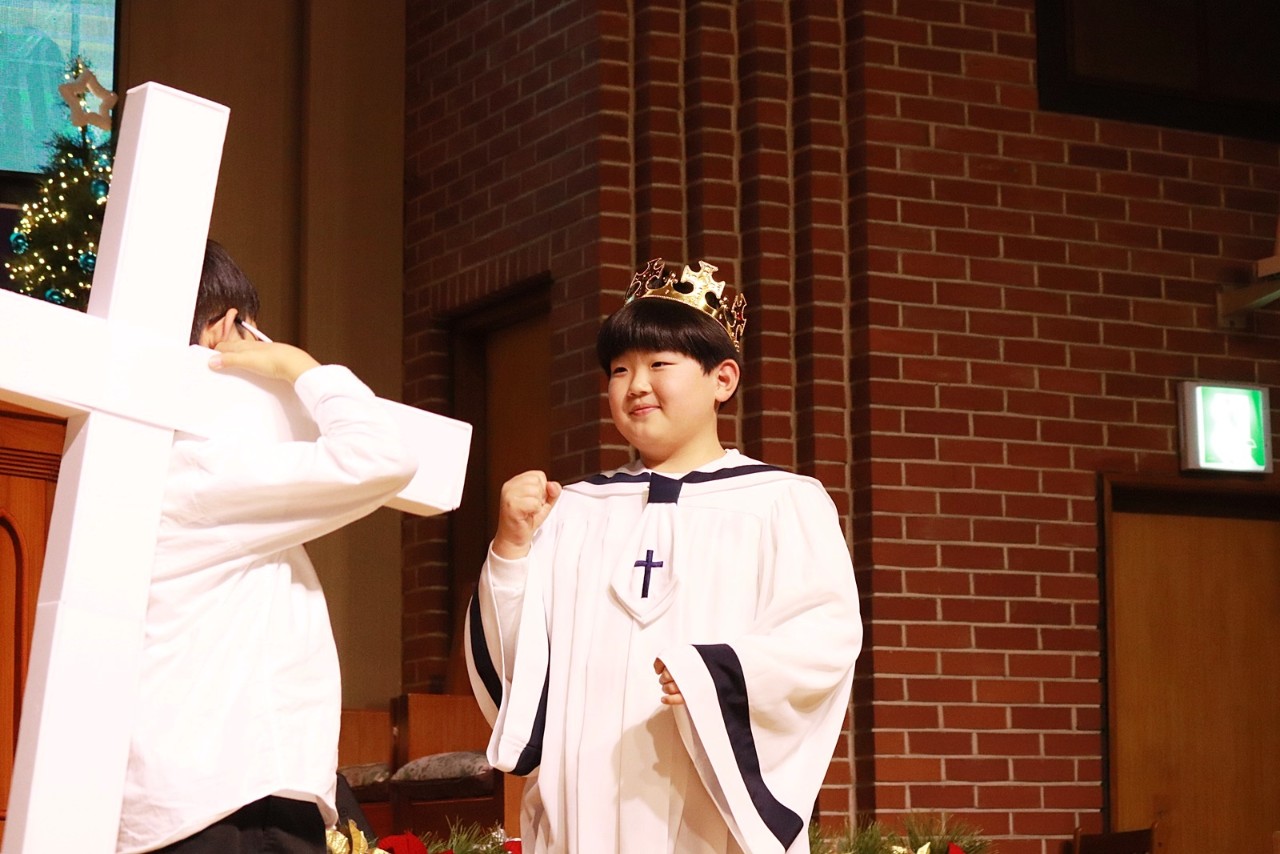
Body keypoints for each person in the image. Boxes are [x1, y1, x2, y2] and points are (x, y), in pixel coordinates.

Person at [465, 259, 863, 853]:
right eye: (619, 369)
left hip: (704, 802)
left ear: (722, 379)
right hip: (583, 802)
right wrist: (511, 550)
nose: (635, 385)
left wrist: (719, 674)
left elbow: (824, 639)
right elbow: (522, 666)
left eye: (658, 364)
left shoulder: (782, 503)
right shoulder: (573, 511)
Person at [116, 240, 418, 854]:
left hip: (198, 790)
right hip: (227, 799)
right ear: (222, 330)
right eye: (253, 334)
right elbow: (382, 453)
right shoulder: (202, 465)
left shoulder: (146, 461)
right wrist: (298, 366)